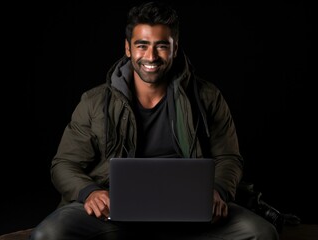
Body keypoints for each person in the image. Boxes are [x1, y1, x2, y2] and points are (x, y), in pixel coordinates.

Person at [30, 1, 279, 240]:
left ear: (175, 47)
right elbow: (63, 164)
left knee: (261, 233)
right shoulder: (94, 102)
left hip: (191, 212)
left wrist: (216, 192)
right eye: (142, 45)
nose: (151, 56)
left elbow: (229, 158)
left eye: (161, 46)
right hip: (115, 212)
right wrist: (90, 192)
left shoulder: (207, 97)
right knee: (48, 235)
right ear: (128, 48)